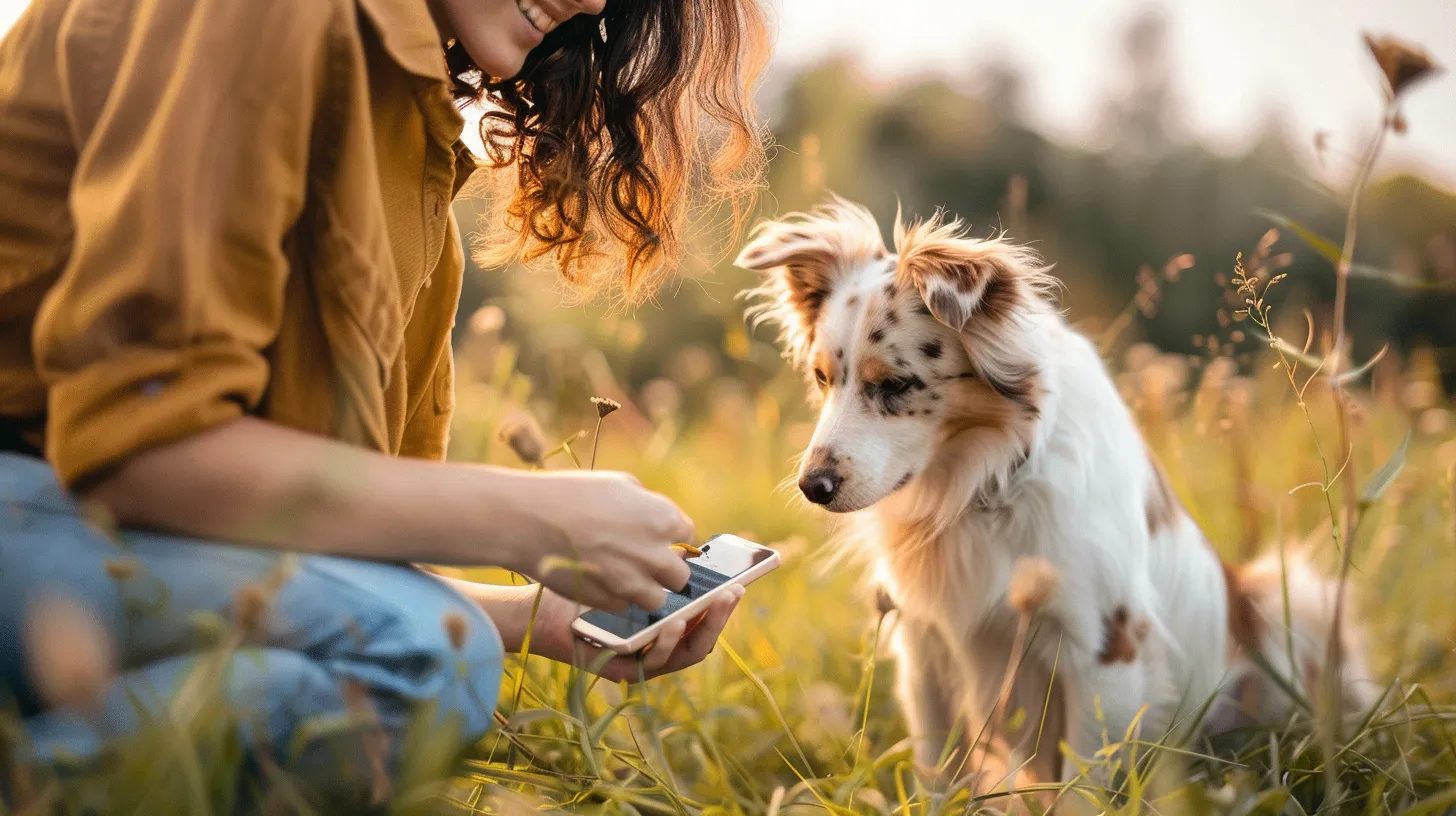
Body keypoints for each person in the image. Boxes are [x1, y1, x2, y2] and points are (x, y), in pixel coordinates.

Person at [0, 0, 767, 803]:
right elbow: (141, 453)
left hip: (63, 537)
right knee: (425, 655)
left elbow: (304, 559)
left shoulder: (404, 138)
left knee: (435, 640)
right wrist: (530, 517)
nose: (595, 2)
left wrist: (530, 618)